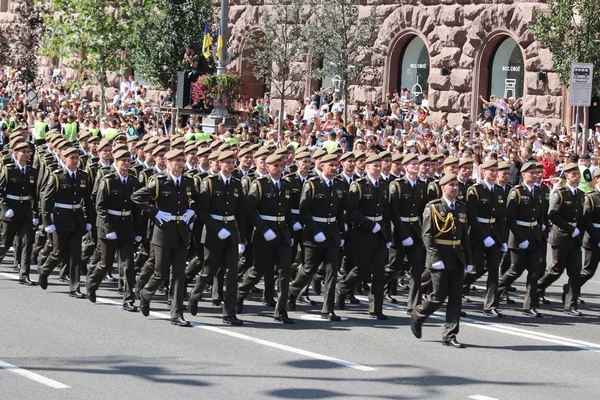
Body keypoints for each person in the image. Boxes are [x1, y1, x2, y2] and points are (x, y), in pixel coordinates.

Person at [131, 149, 199, 327]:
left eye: (182, 160)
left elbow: (197, 200)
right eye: (176, 161)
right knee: (160, 272)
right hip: (162, 232)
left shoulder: (188, 182)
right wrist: (155, 212)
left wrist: (192, 210)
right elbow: (136, 197)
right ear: (168, 163)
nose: (180, 164)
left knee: (178, 275)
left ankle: (177, 314)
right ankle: (146, 293)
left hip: (181, 232)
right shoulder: (159, 182)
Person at [411, 173, 473, 348]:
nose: (455, 187)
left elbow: (464, 236)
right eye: (451, 185)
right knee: (438, 295)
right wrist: (434, 257)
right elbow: (427, 235)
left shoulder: (461, 207)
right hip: (440, 255)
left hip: (457, 256)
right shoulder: (433, 207)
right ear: (442, 187)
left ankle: (450, 334)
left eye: (456, 185)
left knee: (455, 297)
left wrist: (469, 259)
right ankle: (418, 315)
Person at [188, 150, 246, 326]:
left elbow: (241, 213)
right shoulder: (210, 183)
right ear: (219, 163)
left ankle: (229, 313)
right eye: (226, 162)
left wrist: (241, 239)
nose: (230, 165)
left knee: (232, 274)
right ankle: (195, 295)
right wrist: (216, 228)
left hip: (231, 233)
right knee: (209, 269)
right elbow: (202, 210)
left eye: (232, 161)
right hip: (213, 233)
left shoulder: (237, 184)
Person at [237, 153, 294, 324]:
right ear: (267, 167)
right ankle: (238, 296)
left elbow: (287, 211)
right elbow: (250, 210)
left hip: (282, 233)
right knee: (257, 270)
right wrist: (263, 229)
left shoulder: (286, 185)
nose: (278, 169)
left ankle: (281, 311)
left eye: (281, 165)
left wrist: (290, 234)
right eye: (274, 166)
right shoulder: (259, 185)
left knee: (284, 272)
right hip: (264, 235)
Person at [287, 153, 345, 321]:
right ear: (322, 166)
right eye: (331, 165)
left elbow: (340, 211)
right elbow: (304, 210)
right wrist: (315, 231)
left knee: (331, 271)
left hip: (332, 232)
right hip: (313, 234)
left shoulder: (339, 185)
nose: (334, 168)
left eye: (336, 165)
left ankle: (328, 309)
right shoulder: (312, 184)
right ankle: (292, 291)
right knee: (308, 269)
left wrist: (342, 232)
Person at [87, 149, 144, 311]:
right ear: (115, 162)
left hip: (126, 226)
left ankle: (128, 299)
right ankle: (92, 283)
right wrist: (108, 228)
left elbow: (137, 209)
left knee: (128, 264)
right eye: (122, 161)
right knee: (105, 263)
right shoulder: (108, 181)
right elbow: (100, 207)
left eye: (128, 160)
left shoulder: (133, 181)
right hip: (109, 226)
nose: (126, 164)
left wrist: (139, 231)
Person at [336, 153, 392, 320]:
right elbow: (353, 211)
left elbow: (386, 213)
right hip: (363, 233)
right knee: (363, 268)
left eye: (379, 166)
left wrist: (388, 236)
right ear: (367, 167)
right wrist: (370, 224)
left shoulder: (384, 185)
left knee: (379, 271)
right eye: (374, 166)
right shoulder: (358, 185)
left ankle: (376, 309)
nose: (377, 169)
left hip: (380, 232)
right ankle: (344, 288)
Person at [38, 147, 93, 298]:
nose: (75, 161)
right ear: (64, 159)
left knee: (75, 254)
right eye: (72, 158)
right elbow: (46, 200)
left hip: (77, 219)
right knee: (59, 252)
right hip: (60, 219)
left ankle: (74, 288)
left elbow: (87, 200)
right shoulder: (57, 177)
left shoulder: (83, 176)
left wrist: (89, 220)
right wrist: (47, 221)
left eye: (77, 158)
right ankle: (45, 270)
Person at [497, 162, 545, 317]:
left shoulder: (538, 191)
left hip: (535, 235)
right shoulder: (516, 192)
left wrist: (542, 228)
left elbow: (541, 214)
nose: (536, 175)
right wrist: (520, 237)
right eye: (532, 173)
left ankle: (528, 305)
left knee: (534, 271)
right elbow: (510, 217)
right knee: (515, 270)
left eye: (537, 172)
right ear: (524, 175)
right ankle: (494, 293)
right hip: (520, 236)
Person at [537, 163, 584, 316]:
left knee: (575, 272)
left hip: (575, 238)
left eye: (578, 174)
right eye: (573, 174)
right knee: (556, 270)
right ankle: (536, 289)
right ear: (567, 177)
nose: (576, 177)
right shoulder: (560, 193)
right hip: (562, 237)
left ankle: (570, 305)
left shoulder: (581, 194)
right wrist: (571, 228)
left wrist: (579, 232)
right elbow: (553, 214)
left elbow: (581, 217)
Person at [384, 154, 426, 312]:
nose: (416, 166)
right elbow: (393, 213)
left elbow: (422, 210)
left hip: (415, 229)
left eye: (417, 164)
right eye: (412, 164)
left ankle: (414, 304)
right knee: (394, 266)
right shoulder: (397, 185)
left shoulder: (421, 185)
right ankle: (377, 290)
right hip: (400, 230)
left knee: (416, 269)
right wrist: (402, 233)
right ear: (405, 167)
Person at [463, 160, 504, 317]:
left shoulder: (499, 190)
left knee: (494, 270)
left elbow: (501, 217)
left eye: (495, 170)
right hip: (478, 233)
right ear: (483, 172)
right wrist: (484, 236)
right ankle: (455, 289)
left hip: (494, 232)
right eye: (490, 170)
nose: (493, 173)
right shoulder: (476, 190)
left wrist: (504, 240)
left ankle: (490, 305)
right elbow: (472, 217)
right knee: (476, 268)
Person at [0, 142, 39, 285]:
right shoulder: (8, 170)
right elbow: (0, 191)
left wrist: (36, 214)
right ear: (15, 153)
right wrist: (5, 208)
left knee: (27, 242)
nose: (27, 154)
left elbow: (35, 195)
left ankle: (24, 274)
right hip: (11, 209)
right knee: (6, 243)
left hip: (26, 211)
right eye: (24, 151)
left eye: (29, 151)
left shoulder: (32, 171)